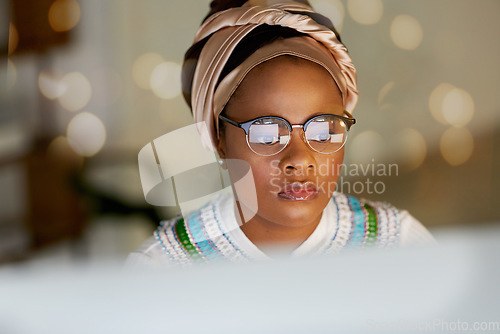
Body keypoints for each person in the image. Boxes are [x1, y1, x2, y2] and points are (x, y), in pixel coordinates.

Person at [127, 0, 435, 268]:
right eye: (266, 135)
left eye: (324, 130)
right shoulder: (164, 268)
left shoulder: (397, 246)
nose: (299, 159)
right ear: (219, 139)